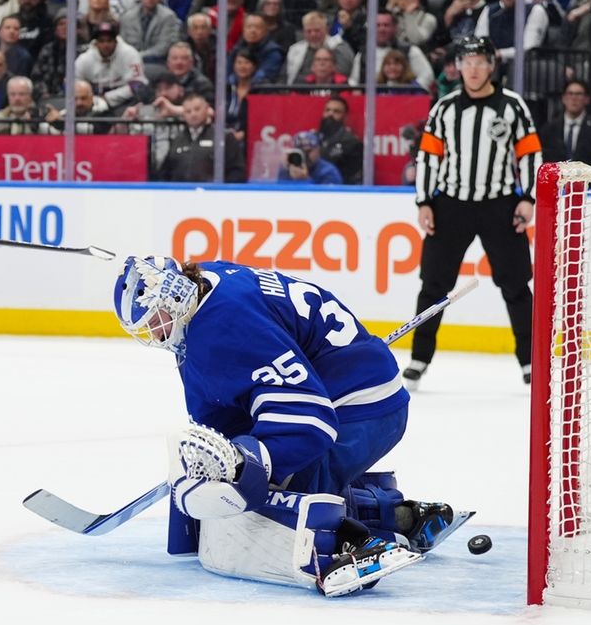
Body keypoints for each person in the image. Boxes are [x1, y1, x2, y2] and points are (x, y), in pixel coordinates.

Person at [112, 255, 459, 596]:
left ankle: (354, 547)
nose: (154, 334)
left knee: (270, 504)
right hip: (348, 386)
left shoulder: (222, 326)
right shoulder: (205, 286)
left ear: (174, 296)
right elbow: (227, 400)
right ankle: (399, 517)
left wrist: (247, 464)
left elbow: (310, 421)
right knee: (256, 488)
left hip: (359, 407)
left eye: (154, 319)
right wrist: (228, 456)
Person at [407, 36, 540, 389]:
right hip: (451, 205)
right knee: (433, 285)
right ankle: (419, 359)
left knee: (515, 285)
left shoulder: (513, 106)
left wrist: (528, 197)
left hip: (500, 205)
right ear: (458, 66)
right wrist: (424, 202)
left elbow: (529, 154)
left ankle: (530, 362)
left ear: (491, 66)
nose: (474, 69)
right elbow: (428, 157)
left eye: (481, 61)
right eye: (467, 62)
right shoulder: (445, 108)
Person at [157, 93, 246, 182]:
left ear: (207, 109)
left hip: (212, 193)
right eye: (188, 111)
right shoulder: (177, 139)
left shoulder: (224, 137)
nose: (193, 114)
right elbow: (165, 173)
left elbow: (237, 172)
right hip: (181, 193)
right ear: (183, 114)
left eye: (197, 109)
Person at [541, 79, 591, 166]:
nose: (574, 98)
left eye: (578, 94)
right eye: (570, 93)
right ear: (563, 98)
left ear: (587, 99)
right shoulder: (549, 129)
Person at [277, 130, 343, 184]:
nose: (304, 155)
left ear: (318, 150)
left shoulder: (329, 172)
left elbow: (326, 198)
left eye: (308, 151)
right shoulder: (286, 170)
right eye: (300, 151)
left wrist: (304, 179)